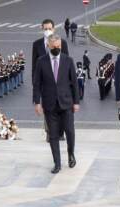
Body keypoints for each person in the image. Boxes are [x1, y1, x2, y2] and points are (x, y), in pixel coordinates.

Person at [33, 34, 80, 174]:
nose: (56, 49)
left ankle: (71, 154)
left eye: (58, 46)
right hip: (49, 104)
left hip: (66, 104)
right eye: (54, 47)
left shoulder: (68, 60)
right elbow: (37, 84)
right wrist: (37, 102)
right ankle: (57, 163)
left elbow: (74, 84)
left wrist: (76, 102)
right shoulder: (41, 62)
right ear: (48, 45)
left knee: (70, 132)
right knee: (53, 135)